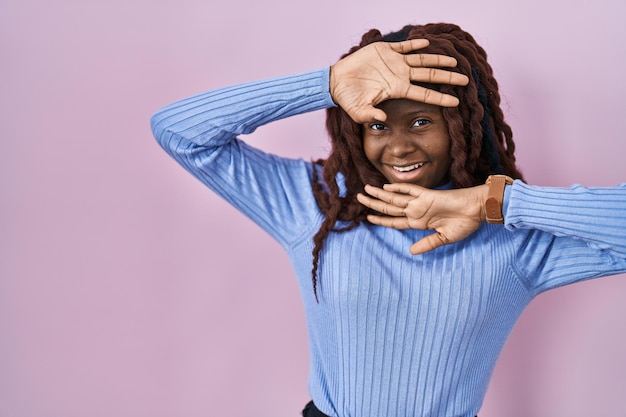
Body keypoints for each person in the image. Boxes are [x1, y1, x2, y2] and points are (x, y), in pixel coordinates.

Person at [150, 22, 626, 417]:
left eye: (420, 121)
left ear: (462, 128)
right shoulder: (315, 203)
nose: (396, 148)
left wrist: (492, 203)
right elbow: (179, 132)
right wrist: (327, 83)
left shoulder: (515, 239)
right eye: (377, 125)